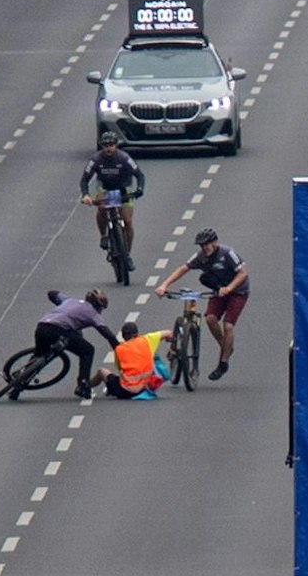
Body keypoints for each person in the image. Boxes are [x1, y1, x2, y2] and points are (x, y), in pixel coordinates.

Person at [156, 228, 249, 381]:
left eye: (207, 244)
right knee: (210, 319)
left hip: (238, 291)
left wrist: (229, 289)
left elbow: (243, 273)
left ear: (215, 243)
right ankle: (225, 346)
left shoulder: (227, 253)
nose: (205, 248)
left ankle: (223, 363)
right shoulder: (200, 256)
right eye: (202, 245)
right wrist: (164, 285)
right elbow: (183, 268)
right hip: (218, 289)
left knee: (228, 326)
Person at [26, 288, 119, 400]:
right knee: (88, 350)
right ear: (98, 305)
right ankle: (83, 384)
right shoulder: (93, 313)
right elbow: (108, 335)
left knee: (39, 355)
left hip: (42, 327)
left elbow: (52, 293)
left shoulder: (70, 300)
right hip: (59, 330)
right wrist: (119, 349)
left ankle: (19, 382)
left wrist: (61, 306)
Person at [79, 132, 144, 258]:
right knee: (102, 208)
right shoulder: (95, 159)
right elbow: (85, 179)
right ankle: (103, 235)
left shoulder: (124, 158)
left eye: (111, 145)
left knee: (128, 221)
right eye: (105, 145)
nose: (108, 148)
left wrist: (140, 189)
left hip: (123, 189)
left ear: (116, 145)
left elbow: (139, 175)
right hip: (106, 189)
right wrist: (86, 195)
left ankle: (127, 254)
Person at [90, 321, 170, 400]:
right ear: (137, 333)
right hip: (146, 387)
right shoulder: (147, 340)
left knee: (101, 371)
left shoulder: (119, 349)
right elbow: (168, 333)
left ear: (123, 336)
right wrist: (170, 339)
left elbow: (121, 370)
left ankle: (87, 386)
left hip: (125, 391)